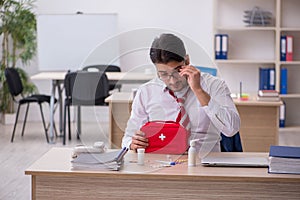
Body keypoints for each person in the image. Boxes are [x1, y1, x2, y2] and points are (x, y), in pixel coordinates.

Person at [121, 33, 240, 152]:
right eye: (163, 74)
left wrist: (199, 91)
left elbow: (231, 129)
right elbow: (127, 139)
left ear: (187, 61)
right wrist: (133, 143)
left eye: (177, 71)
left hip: (204, 161)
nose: (172, 81)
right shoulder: (146, 92)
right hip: (160, 162)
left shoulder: (214, 85)